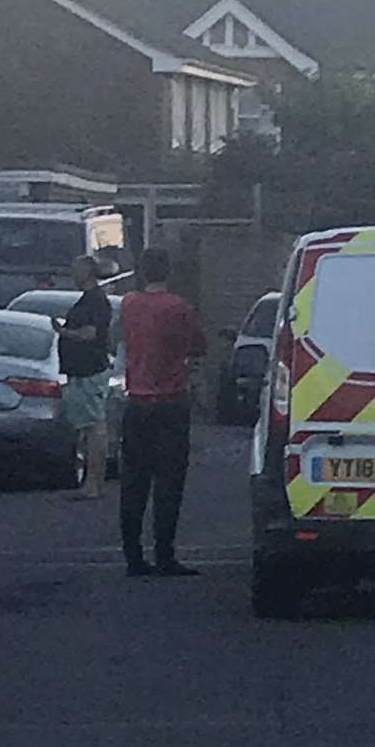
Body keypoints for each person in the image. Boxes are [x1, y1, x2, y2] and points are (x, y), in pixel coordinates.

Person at [118, 247, 207, 577]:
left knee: (134, 482)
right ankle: (165, 554)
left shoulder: (128, 304)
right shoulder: (178, 307)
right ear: (168, 271)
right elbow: (198, 345)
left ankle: (133, 556)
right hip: (170, 401)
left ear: (142, 271)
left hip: (136, 403)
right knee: (169, 483)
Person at [53, 256, 111, 500]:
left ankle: (93, 484)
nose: (72, 275)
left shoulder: (95, 301)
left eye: (76, 270)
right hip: (81, 372)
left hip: (90, 371)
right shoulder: (89, 300)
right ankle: (91, 482)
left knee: (94, 427)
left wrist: (63, 331)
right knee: (88, 428)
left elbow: (90, 334)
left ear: (87, 273)